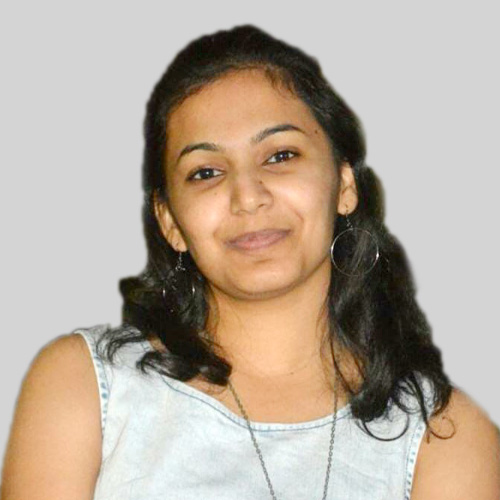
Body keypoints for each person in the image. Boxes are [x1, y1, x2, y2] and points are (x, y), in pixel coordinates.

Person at [1, 25, 499, 500]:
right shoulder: (86, 387)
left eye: (280, 156)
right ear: (169, 220)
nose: (248, 196)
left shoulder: (443, 438)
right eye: (206, 172)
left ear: (344, 185)